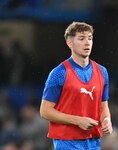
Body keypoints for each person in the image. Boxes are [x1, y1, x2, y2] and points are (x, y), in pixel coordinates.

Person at [40, 22, 113, 150]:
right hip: (67, 142)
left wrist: (106, 119)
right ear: (69, 43)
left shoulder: (102, 72)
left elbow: (103, 106)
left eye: (90, 38)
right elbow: (45, 111)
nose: (87, 42)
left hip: (93, 141)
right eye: (81, 38)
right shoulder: (59, 73)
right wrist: (78, 121)